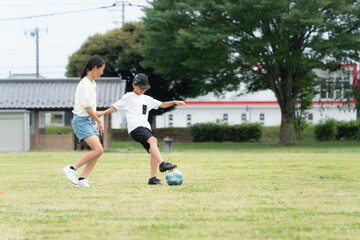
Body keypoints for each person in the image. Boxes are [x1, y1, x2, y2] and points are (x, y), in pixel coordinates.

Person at [96, 73, 186, 185]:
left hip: (145, 127)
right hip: (135, 128)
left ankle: (153, 179)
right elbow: (115, 108)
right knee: (153, 140)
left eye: (145, 88)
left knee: (153, 148)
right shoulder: (128, 97)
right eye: (140, 87)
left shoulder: (147, 99)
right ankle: (162, 163)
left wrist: (174, 102)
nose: (142, 90)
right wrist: (102, 113)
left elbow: (162, 104)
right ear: (134, 85)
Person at [63, 55, 105, 188]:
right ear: (95, 68)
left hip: (88, 119)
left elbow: (91, 107)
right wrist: (99, 121)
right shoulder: (85, 84)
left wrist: (94, 118)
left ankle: (82, 179)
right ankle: (72, 168)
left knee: (97, 151)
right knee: (98, 150)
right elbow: (87, 108)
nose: (102, 73)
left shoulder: (92, 83)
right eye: (101, 70)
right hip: (81, 121)